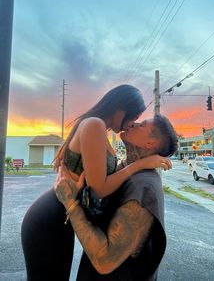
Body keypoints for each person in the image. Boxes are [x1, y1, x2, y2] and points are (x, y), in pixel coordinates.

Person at [21, 84, 171, 281]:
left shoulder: (100, 129)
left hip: (62, 217)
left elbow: (104, 179)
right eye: (134, 117)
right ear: (121, 108)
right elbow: (98, 189)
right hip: (48, 218)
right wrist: (141, 164)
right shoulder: (94, 124)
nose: (132, 123)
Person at [54, 114, 178, 281]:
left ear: (150, 143)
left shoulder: (143, 189)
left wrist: (70, 203)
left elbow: (105, 261)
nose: (133, 123)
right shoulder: (128, 170)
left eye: (141, 125)